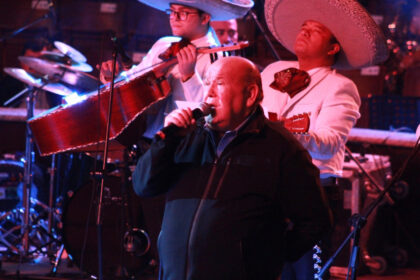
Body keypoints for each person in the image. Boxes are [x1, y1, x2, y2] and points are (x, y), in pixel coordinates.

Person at [132, 56, 332, 279]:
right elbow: (143, 186)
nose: (208, 94)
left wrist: (266, 259)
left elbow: (315, 221)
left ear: (250, 95)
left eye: (218, 84)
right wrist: (164, 142)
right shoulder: (184, 136)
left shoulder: (281, 149)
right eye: (207, 83)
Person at [262, 0, 389, 279]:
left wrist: (291, 134)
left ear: (333, 48)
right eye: (303, 27)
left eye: (315, 30)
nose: (303, 32)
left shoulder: (340, 86)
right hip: (265, 188)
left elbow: (330, 142)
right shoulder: (273, 71)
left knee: (309, 272)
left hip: (311, 191)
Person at [100, 0, 253, 139]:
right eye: (172, 11)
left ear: (205, 18)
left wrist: (189, 76)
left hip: (187, 145)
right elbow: (134, 79)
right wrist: (113, 78)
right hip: (150, 137)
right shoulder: (164, 45)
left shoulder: (218, 56)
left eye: (183, 13)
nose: (174, 18)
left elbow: (213, 111)